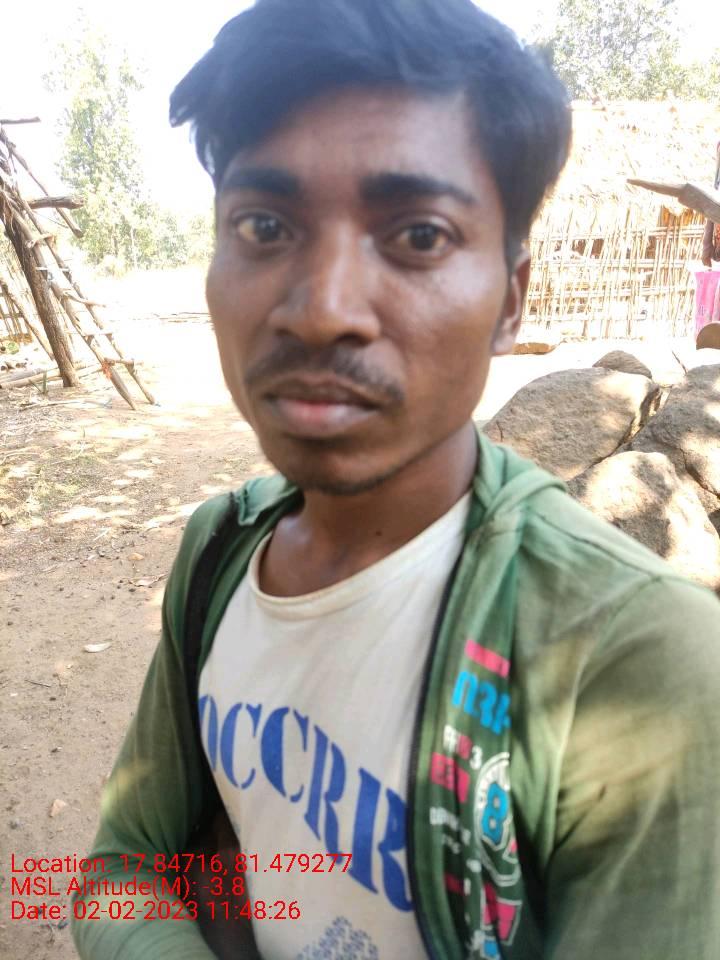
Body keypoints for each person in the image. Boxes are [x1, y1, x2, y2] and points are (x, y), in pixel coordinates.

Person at [72, 1, 720, 958]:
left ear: (511, 302)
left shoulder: (638, 660)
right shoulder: (221, 551)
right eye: (263, 224)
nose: (323, 310)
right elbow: (124, 867)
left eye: (418, 236)